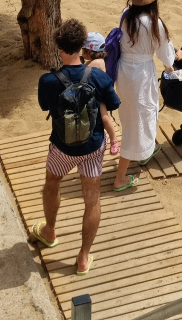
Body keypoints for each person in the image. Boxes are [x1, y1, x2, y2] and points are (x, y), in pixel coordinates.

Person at [32, 18, 121, 275]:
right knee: (92, 200)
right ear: (83, 47)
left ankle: (49, 231)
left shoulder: (48, 81)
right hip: (93, 147)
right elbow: (113, 103)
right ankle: (83, 257)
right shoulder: (98, 76)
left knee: (52, 184)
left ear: (59, 48)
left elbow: (45, 106)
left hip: (62, 147)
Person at [112, 0, 176, 192]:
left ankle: (143, 152)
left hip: (124, 72)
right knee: (139, 121)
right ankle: (120, 178)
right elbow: (165, 55)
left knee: (132, 117)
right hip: (141, 75)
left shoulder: (126, 15)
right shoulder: (154, 23)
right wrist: (172, 67)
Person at [82, 32, 121, 156]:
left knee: (104, 117)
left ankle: (113, 139)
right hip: (96, 93)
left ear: (89, 51)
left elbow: (83, 73)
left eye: (83, 49)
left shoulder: (96, 63)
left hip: (98, 96)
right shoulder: (99, 60)